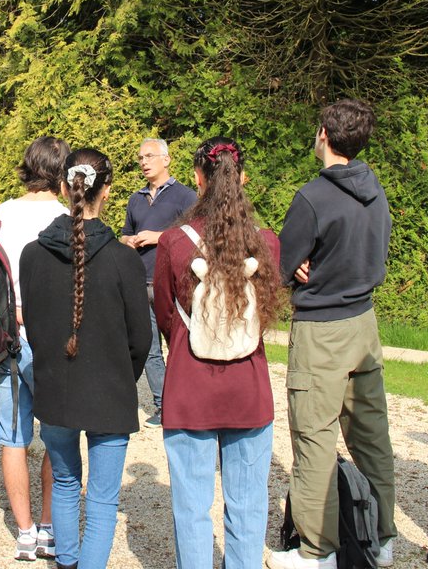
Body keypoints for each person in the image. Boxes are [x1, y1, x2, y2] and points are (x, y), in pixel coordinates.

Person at [270, 99, 397, 569]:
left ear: (323, 133)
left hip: (321, 328)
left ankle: (316, 549)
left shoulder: (313, 197)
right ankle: (381, 538)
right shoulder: (375, 190)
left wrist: (299, 266)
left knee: (314, 437)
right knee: (371, 434)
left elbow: (281, 266)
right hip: (364, 322)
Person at [153, 137, 283, 568]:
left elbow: (166, 315)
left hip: (189, 387)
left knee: (191, 508)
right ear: (242, 178)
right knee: (247, 507)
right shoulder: (267, 243)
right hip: (249, 388)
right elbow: (265, 313)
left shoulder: (174, 242)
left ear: (198, 178)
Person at [21, 148, 152, 569]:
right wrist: (120, 376)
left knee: (64, 482)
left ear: (63, 187)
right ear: (107, 191)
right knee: (101, 498)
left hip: (56, 388)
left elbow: (35, 329)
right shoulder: (124, 260)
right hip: (109, 391)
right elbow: (141, 339)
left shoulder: (32, 255)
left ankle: (67, 562)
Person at [0, 136, 70, 561]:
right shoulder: (68, 217)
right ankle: (49, 526)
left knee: (13, 438)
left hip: (4, 338)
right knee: (57, 437)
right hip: (52, 339)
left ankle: (25, 532)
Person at [120, 138, 197, 427]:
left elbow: (195, 235)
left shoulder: (185, 196)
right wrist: (128, 240)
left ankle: (186, 405)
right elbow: (124, 233)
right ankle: (163, 407)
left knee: (181, 347)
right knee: (150, 349)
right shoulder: (135, 199)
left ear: (166, 159)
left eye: (149, 156)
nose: (144, 162)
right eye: (140, 158)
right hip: (141, 283)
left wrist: (159, 237)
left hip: (174, 284)